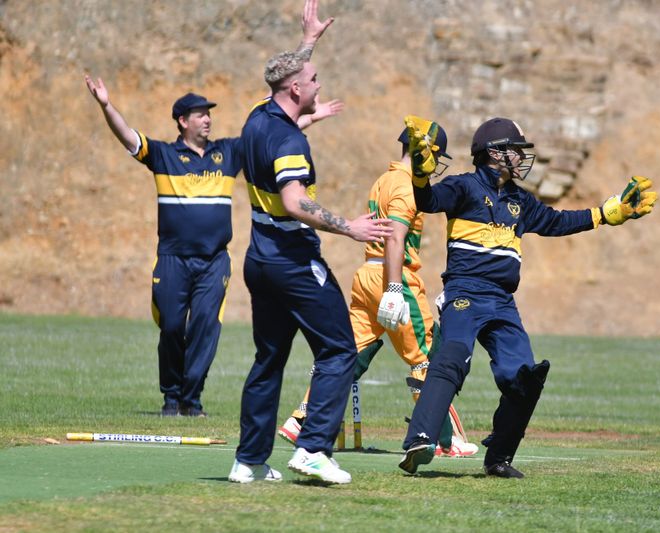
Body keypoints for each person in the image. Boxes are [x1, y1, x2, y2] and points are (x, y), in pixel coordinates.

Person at [84, 0, 342, 418]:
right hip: (172, 259)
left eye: (208, 114)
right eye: (200, 114)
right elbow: (129, 137)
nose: (207, 119)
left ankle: (191, 398)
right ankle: (170, 394)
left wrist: (312, 113)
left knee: (206, 327)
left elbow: (274, 120)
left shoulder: (228, 152)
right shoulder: (164, 155)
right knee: (171, 326)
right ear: (182, 120)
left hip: (213, 261)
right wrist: (106, 106)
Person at [398, 116, 658, 478]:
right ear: (493, 153)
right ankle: (419, 440)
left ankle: (499, 459)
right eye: (516, 151)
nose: (521, 158)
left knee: (525, 376)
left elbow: (557, 221)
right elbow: (427, 200)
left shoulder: (521, 200)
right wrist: (420, 175)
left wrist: (605, 214)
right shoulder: (463, 187)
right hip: (465, 293)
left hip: (502, 301)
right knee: (453, 357)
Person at [227, 29, 393, 483]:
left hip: (260, 260)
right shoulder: (289, 143)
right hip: (293, 262)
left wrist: (307, 42)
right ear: (297, 89)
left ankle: (249, 461)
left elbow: (285, 79)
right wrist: (350, 228)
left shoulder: (258, 117)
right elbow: (295, 202)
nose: (320, 86)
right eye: (315, 79)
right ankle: (313, 449)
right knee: (340, 349)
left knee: (270, 358)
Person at [277, 118, 478, 458]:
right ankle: (444, 439)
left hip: (366, 276)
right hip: (393, 276)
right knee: (427, 358)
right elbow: (395, 237)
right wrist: (396, 288)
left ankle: (301, 420)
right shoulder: (406, 187)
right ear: (425, 152)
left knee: (348, 355)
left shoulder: (383, 180)